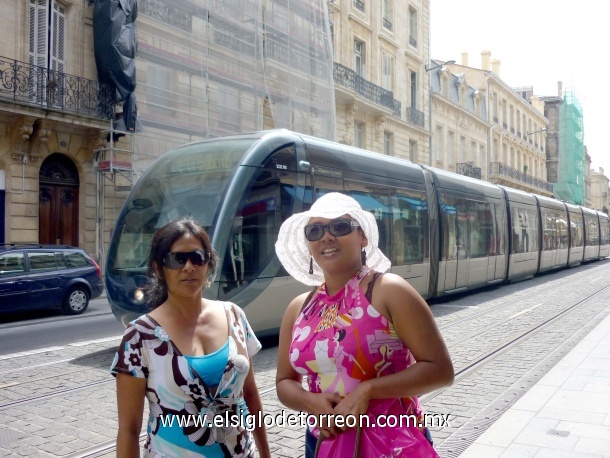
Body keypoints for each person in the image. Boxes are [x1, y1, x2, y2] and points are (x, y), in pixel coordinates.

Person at [274, 193, 454, 457]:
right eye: (315, 230)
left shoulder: (388, 290)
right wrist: (311, 402)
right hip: (323, 442)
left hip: (392, 441)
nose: (326, 236)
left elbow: (441, 371)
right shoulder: (299, 308)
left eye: (340, 226)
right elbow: (284, 382)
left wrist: (369, 390)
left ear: (363, 237)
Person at [111, 217, 270, 457]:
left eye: (197, 257)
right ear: (158, 267)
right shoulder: (138, 337)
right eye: (177, 259)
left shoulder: (234, 316)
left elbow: (250, 397)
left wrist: (266, 454)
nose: (188, 267)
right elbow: (129, 431)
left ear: (208, 264)